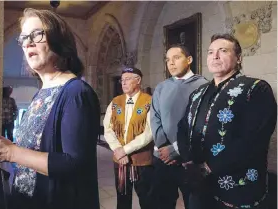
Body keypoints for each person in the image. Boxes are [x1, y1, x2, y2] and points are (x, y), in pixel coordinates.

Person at [0, 8, 100, 209]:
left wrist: (8, 153)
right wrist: (0, 144)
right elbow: (38, 149)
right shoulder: (41, 93)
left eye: (37, 34)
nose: (28, 42)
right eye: (23, 38)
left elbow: (74, 165)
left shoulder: (76, 92)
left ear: (59, 39)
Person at [177, 33, 277, 209]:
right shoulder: (198, 93)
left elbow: (253, 139)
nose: (214, 56)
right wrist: (187, 160)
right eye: (210, 52)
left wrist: (208, 167)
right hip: (197, 183)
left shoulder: (255, 88)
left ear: (238, 58)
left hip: (236, 186)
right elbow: (183, 127)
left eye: (222, 51)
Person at [150, 44, 207, 209]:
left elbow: (202, 123)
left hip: (188, 158)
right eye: (168, 59)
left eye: (176, 58)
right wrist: (163, 146)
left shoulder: (203, 86)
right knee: (161, 202)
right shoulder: (161, 87)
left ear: (189, 60)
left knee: (193, 202)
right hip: (162, 157)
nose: (171, 63)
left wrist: (175, 150)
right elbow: (155, 117)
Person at [103, 67, 154, 209]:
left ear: (138, 81)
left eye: (128, 79)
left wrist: (125, 150)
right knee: (122, 198)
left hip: (141, 161)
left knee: (146, 198)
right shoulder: (115, 102)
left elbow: (149, 133)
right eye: (122, 80)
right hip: (120, 161)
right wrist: (118, 150)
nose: (123, 83)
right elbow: (108, 129)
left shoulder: (149, 101)